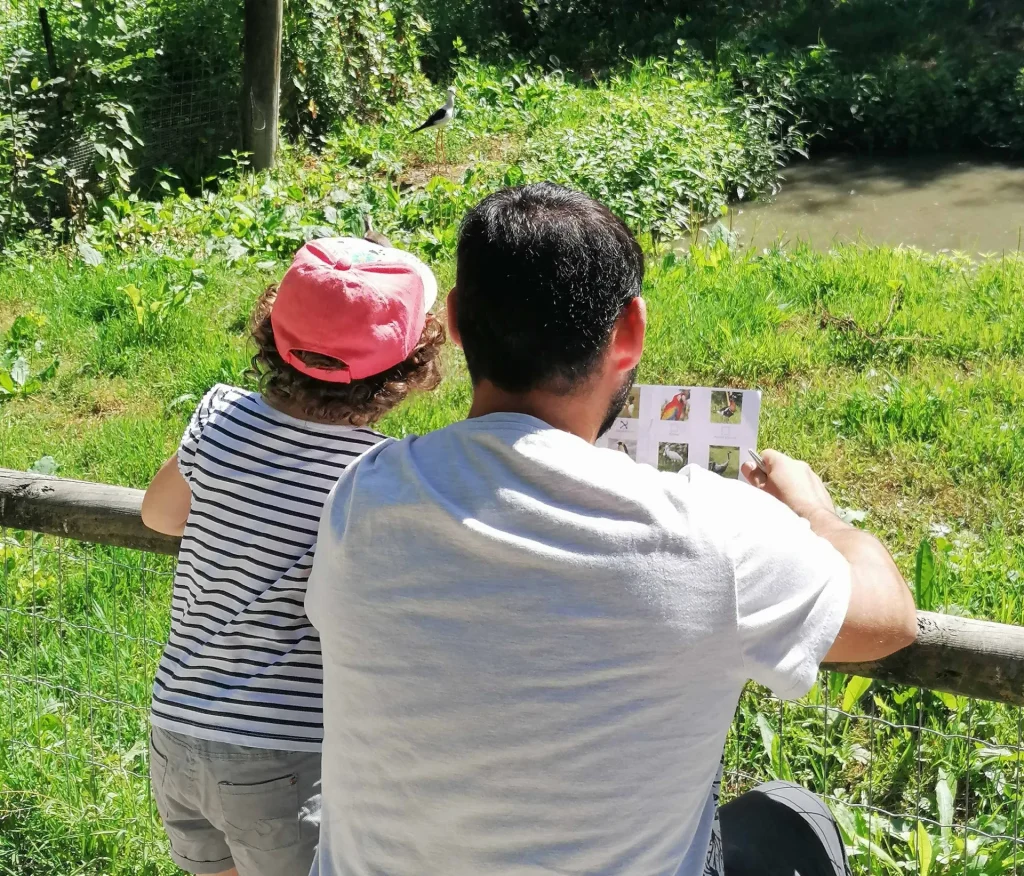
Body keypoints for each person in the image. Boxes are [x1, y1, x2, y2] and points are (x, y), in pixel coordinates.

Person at [305, 183, 918, 876]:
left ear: (453, 319)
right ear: (629, 332)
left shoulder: (362, 495)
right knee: (791, 813)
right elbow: (891, 619)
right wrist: (817, 514)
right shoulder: (713, 533)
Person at [140, 235, 444, 876]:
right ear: (410, 363)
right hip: (280, 753)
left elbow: (158, 515)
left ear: (275, 331)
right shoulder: (377, 473)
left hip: (176, 730)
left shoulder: (218, 418)